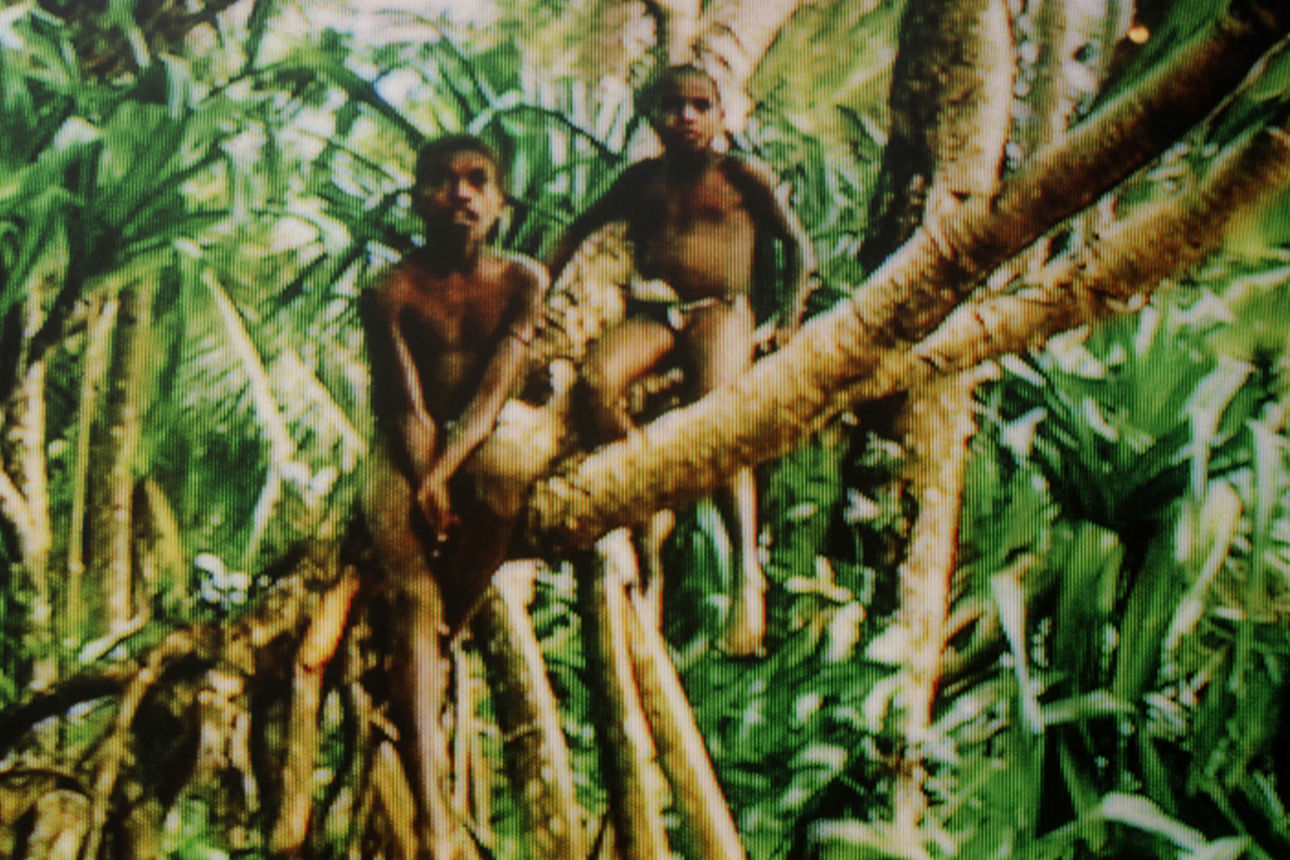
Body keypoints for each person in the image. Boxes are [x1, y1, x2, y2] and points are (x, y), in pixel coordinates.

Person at [550, 64, 815, 655]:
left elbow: (797, 245)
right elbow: (576, 230)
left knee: (716, 421)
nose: (687, 117)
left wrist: (789, 321)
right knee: (593, 387)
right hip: (657, 311)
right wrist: (535, 290)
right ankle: (646, 519)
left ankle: (746, 569)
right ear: (653, 118)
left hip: (720, 312)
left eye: (700, 106)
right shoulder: (642, 182)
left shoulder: (743, 176)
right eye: (674, 107)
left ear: (722, 117)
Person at [361, 134, 546, 857]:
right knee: (410, 596)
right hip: (398, 447)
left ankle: (455, 621)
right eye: (441, 182)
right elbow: (404, 406)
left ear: (499, 204)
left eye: (476, 182)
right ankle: (433, 820)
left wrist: (445, 473)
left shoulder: (522, 280)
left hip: (478, 439)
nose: (459, 194)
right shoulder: (389, 290)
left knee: (500, 487)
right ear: (416, 201)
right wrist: (420, 472)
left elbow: (498, 387)